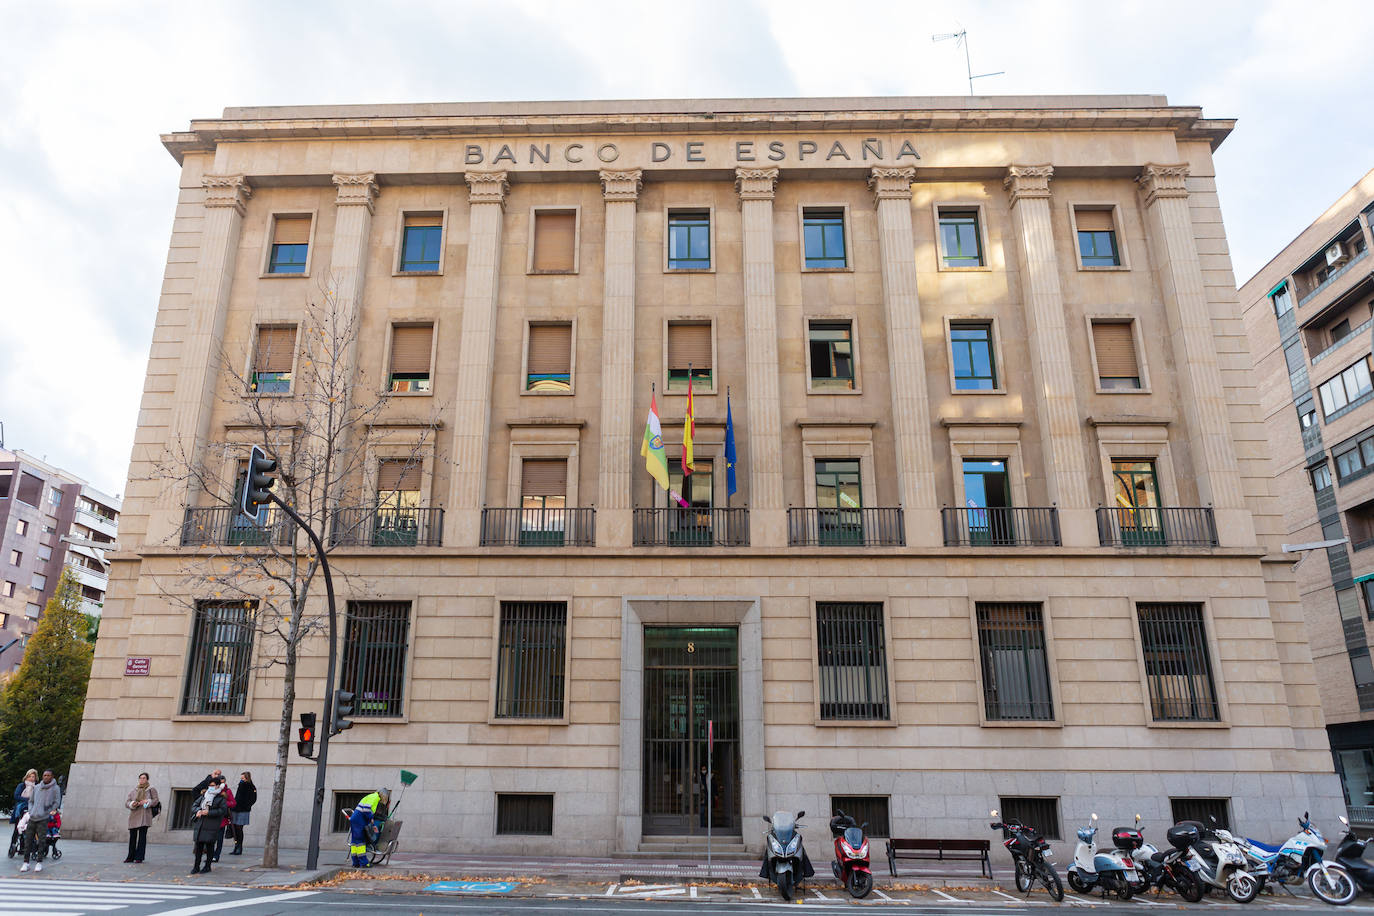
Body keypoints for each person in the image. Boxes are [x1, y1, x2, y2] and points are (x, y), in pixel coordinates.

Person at [18, 770, 60, 873]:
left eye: (48, 775)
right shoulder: (37, 787)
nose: (46, 777)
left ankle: (39, 862)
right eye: (44, 775)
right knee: (28, 840)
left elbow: (56, 802)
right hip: (33, 817)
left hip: (43, 818)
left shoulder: (55, 788)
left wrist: (47, 811)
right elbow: (31, 801)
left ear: (52, 776)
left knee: (41, 841)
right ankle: (26, 863)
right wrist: (31, 811)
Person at [190, 777, 228, 875]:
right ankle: (196, 866)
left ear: (218, 786)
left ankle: (207, 866)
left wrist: (209, 812)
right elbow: (194, 805)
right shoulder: (204, 796)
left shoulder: (220, 798)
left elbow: (222, 811)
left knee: (210, 846)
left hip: (212, 825)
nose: (210, 787)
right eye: (209, 786)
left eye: (213, 786)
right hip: (201, 825)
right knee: (199, 847)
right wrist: (198, 810)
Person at [124, 772, 158, 864]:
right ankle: (130, 857)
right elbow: (127, 802)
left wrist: (147, 801)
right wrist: (132, 804)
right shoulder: (134, 790)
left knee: (142, 837)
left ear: (147, 779)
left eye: (144, 778)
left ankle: (139, 857)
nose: (142, 780)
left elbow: (156, 801)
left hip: (145, 816)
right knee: (132, 837)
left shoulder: (151, 789)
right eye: (140, 778)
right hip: (134, 815)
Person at [9, 770, 36, 858]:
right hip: (21, 808)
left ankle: (24, 847)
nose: (32, 778)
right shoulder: (22, 785)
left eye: (33, 777)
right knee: (18, 828)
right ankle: (12, 845)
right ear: (27, 777)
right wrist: (28, 800)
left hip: (32, 808)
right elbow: (16, 796)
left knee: (29, 828)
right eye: (30, 776)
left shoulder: (36, 787)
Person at [229, 772, 255, 855]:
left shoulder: (250, 786)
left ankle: (239, 847)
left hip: (243, 810)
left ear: (247, 778)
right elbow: (238, 797)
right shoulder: (241, 785)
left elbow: (253, 799)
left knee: (239, 829)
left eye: (242, 778)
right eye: (241, 778)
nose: (241, 780)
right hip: (236, 809)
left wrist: (246, 806)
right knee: (235, 829)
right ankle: (236, 846)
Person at [211, 779, 235, 862]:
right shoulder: (210, 791)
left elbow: (233, 803)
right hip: (211, 819)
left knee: (219, 839)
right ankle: (210, 855)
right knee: (210, 839)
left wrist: (223, 803)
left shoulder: (227, 791)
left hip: (221, 820)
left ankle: (216, 856)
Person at [348, 798, 374, 868]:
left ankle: (355, 863)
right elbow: (366, 809)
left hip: (354, 820)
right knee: (360, 842)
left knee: (354, 843)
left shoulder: (370, 796)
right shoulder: (375, 797)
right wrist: (371, 818)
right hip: (359, 821)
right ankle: (364, 863)